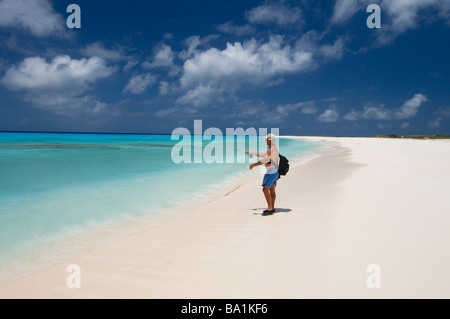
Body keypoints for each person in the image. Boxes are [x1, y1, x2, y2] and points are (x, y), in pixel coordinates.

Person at [246, 133, 279, 216]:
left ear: (270, 140)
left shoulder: (273, 148)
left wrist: (253, 165)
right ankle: (272, 208)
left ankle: (270, 208)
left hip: (272, 172)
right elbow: (262, 155)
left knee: (265, 189)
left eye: (266, 140)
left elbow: (265, 159)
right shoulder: (272, 148)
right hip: (274, 172)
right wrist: (251, 152)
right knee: (271, 190)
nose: (266, 141)